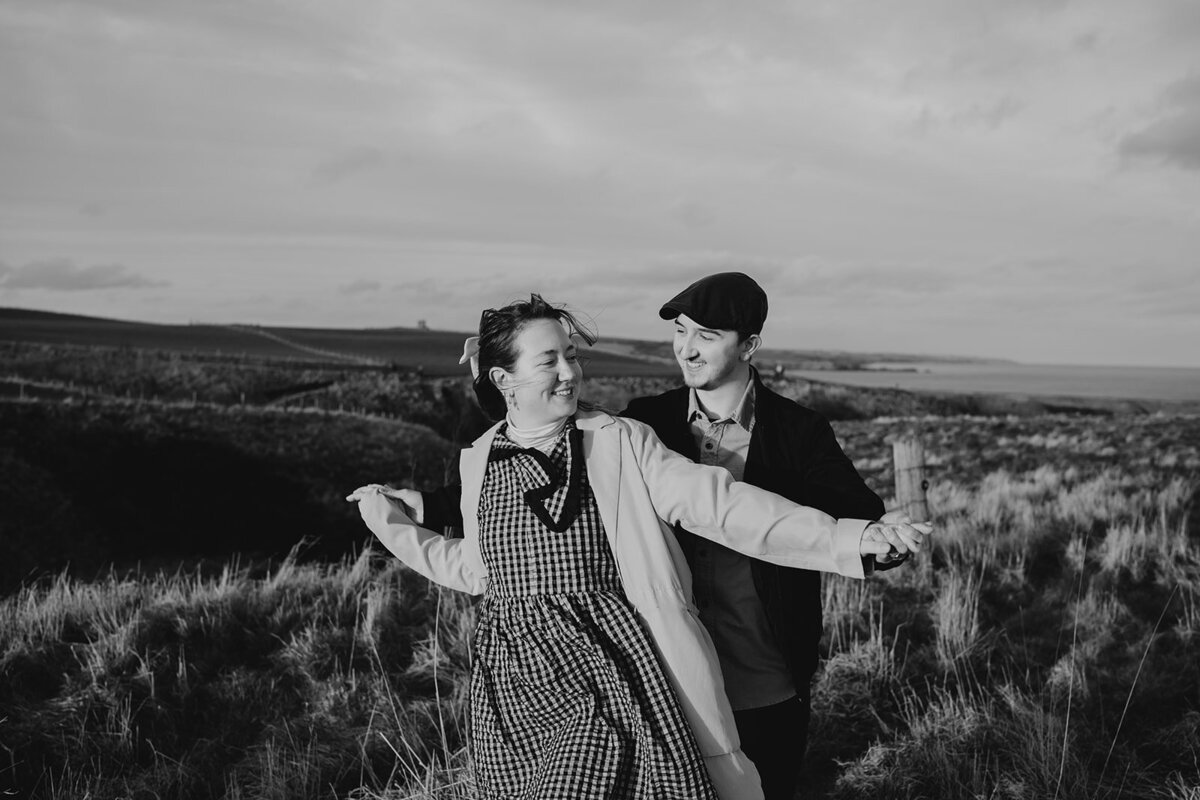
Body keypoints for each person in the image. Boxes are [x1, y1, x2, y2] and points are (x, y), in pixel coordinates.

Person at [348, 294, 930, 800]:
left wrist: (851, 537)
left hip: (613, 673)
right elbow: (476, 568)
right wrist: (393, 521)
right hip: (514, 684)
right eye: (550, 360)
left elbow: (727, 506)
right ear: (504, 380)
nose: (570, 372)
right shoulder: (479, 461)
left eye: (572, 355)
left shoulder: (621, 442)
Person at [622, 272, 899, 800]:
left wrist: (883, 541)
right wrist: (433, 505)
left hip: (764, 678)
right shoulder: (645, 421)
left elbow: (859, 518)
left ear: (750, 345)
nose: (687, 348)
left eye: (706, 335)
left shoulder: (800, 431)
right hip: (665, 676)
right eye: (681, 331)